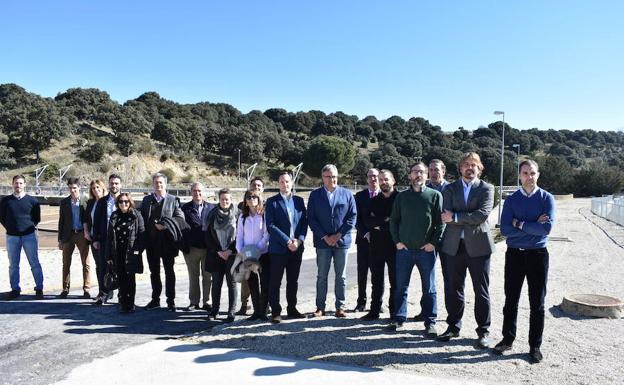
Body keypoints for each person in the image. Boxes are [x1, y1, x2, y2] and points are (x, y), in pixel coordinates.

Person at [494, 159, 555, 364]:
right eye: (525, 173)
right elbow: (504, 230)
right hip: (515, 254)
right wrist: (531, 226)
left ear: (538, 175)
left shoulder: (547, 198)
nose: (529, 177)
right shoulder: (511, 200)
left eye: (532, 173)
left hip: (538, 254)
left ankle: (534, 346)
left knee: (537, 303)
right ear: (519, 175)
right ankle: (507, 339)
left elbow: (545, 230)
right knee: (511, 300)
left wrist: (519, 223)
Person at [438, 152, 495, 349]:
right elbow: (445, 214)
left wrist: (455, 217)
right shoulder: (450, 189)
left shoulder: (487, 188)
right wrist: (458, 217)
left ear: (480, 168)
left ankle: (483, 331)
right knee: (454, 289)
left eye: (474, 165)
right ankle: (453, 327)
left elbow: (481, 215)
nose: (470, 168)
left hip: (479, 247)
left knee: (481, 291)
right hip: (454, 246)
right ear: (460, 168)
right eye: (466, 165)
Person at [389, 162, 445, 336]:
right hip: (404, 251)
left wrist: (433, 244)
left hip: (425, 252)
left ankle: (430, 322)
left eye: (422, 172)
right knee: (401, 286)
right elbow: (394, 221)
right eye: (415, 172)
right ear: (410, 175)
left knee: (429, 288)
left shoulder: (435, 196)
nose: (418, 175)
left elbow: (440, 223)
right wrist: (397, 242)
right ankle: (399, 318)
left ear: (427, 175)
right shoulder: (402, 197)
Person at [307, 164, 357, 318]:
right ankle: (320, 307)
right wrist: (325, 237)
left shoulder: (347, 194)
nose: (332, 179)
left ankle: (340, 307)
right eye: (329, 176)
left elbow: (352, 217)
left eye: (334, 176)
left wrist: (338, 235)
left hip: (341, 242)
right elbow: (311, 218)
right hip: (323, 243)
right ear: (323, 178)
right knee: (322, 276)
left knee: (341, 276)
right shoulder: (315, 195)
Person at [265, 171, 308, 323]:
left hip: (296, 248)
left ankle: (292, 309)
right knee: (275, 281)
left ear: (292, 183)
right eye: (282, 182)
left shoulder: (299, 201)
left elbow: (304, 223)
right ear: (278, 184)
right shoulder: (271, 202)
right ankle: (276, 312)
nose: (285, 184)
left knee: (293, 281)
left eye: (287, 181)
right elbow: (270, 226)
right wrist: (287, 241)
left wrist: (299, 241)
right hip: (278, 249)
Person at [140, 173, 185, 312]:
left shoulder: (173, 200)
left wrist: (166, 225)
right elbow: (141, 219)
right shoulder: (147, 200)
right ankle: (155, 299)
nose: (158, 185)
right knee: (154, 272)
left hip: (167, 242)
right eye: (156, 183)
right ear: (152, 184)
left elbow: (180, 218)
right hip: (151, 243)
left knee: (169, 272)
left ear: (165, 184)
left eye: (161, 183)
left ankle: (171, 301)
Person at [413, 159, 450, 321]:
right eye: (432, 170)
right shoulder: (423, 189)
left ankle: (452, 314)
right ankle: (426, 311)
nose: (434, 173)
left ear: (443, 171)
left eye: (437, 170)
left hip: (448, 239)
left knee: (450, 278)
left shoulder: (451, 189)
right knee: (427, 276)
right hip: (428, 240)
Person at [361, 169, 398, 320]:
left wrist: (380, 223)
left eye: (386, 179)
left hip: (396, 246)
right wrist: (387, 220)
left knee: (395, 281)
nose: (383, 182)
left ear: (393, 180)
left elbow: (400, 221)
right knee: (376, 281)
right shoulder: (373, 201)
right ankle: (374, 311)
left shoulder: (401, 199)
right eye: (381, 179)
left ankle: (394, 312)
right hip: (376, 246)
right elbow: (367, 221)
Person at [0, 175, 43, 300]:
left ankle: (39, 288)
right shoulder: (5, 201)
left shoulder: (32, 201)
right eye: (16, 183)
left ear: (24, 184)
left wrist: (27, 227)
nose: (18, 185)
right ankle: (15, 289)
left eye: (20, 183)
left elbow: (36, 218)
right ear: (12, 184)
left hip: (29, 236)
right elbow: (2, 217)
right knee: (13, 265)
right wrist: (11, 227)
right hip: (12, 237)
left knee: (34, 263)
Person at [105, 193, 145, 313]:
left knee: (130, 279)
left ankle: (130, 303)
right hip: (118, 252)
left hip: (131, 252)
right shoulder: (114, 216)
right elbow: (109, 237)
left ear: (130, 202)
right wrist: (108, 255)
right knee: (121, 278)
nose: (124, 204)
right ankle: (123, 303)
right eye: (121, 202)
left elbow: (142, 234)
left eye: (126, 202)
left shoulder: (136, 215)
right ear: (118, 203)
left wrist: (139, 249)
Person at [205, 188, 239, 323]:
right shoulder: (212, 214)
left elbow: (241, 235)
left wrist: (230, 251)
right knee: (216, 283)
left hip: (232, 254)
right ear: (218, 200)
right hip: (216, 254)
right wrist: (218, 251)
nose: (225, 201)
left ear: (231, 200)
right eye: (222, 199)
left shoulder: (238, 214)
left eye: (227, 199)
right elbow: (207, 236)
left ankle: (231, 312)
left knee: (232, 283)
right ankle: (214, 310)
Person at [236, 190, 270, 321]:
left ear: (259, 198)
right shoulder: (242, 217)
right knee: (252, 283)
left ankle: (263, 311)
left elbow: (267, 234)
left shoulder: (263, 215)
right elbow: (239, 236)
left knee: (265, 283)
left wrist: (257, 249)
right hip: (248, 256)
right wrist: (242, 252)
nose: (251, 199)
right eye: (248, 197)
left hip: (262, 254)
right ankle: (256, 312)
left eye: (254, 197)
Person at [181, 182, 215, 312]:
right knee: (193, 276)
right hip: (192, 249)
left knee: (208, 276)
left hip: (208, 248)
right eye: (194, 191)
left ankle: (207, 301)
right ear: (191, 192)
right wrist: (184, 246)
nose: (197, 193)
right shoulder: (185, 208)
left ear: (203, 192)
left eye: (200, 191)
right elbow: (181, 228)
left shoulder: (212, 208)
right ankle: (194, 302)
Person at [57, 177, 91, 298]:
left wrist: (90, 234)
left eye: (75, 188)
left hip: (82, 234)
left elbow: (90, 218)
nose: (72, 190)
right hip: (68, 235)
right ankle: (65, 289)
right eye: (70, 188)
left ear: (79, 188)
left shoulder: (86, 201)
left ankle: (86, 289)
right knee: (66, 263)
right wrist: (60, 239)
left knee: (85, 263)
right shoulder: (64, 202)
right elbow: (61, 221)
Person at [92, 174, 123, 303]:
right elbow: (97, 222)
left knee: (121, 268)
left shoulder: (125, 200)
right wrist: (96, 239)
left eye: (116, 183)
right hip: (105, 240)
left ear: (120, 185)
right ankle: (103, 293)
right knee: (103, 267)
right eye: (112, 183)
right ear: (108, 185)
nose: (114, 186)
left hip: (121, 241)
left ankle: (123, 294)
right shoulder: (102, 201)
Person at [353, 168, 380, 312]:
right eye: (370, 176)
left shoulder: (386, 195)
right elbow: (355, 219)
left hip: (381, 242)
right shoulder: (359, 196)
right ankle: (361, 302)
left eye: (375, 176)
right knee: (362, 273)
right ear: (367, 178)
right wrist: (365, 233)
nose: (373, 179)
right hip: (363, 241)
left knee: (378, 274)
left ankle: (378, 302)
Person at [84, 179, 107, 305]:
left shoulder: (107, 201)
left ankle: (108, 290)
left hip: (106, 239)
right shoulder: (91, 203)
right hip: (94, 239)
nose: (96, 190)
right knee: (99, 266)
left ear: (102, 188)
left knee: (108, 266)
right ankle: (101, 291)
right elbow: (86, 219)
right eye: (93, 188)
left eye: (98, 187)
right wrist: (86, 232)